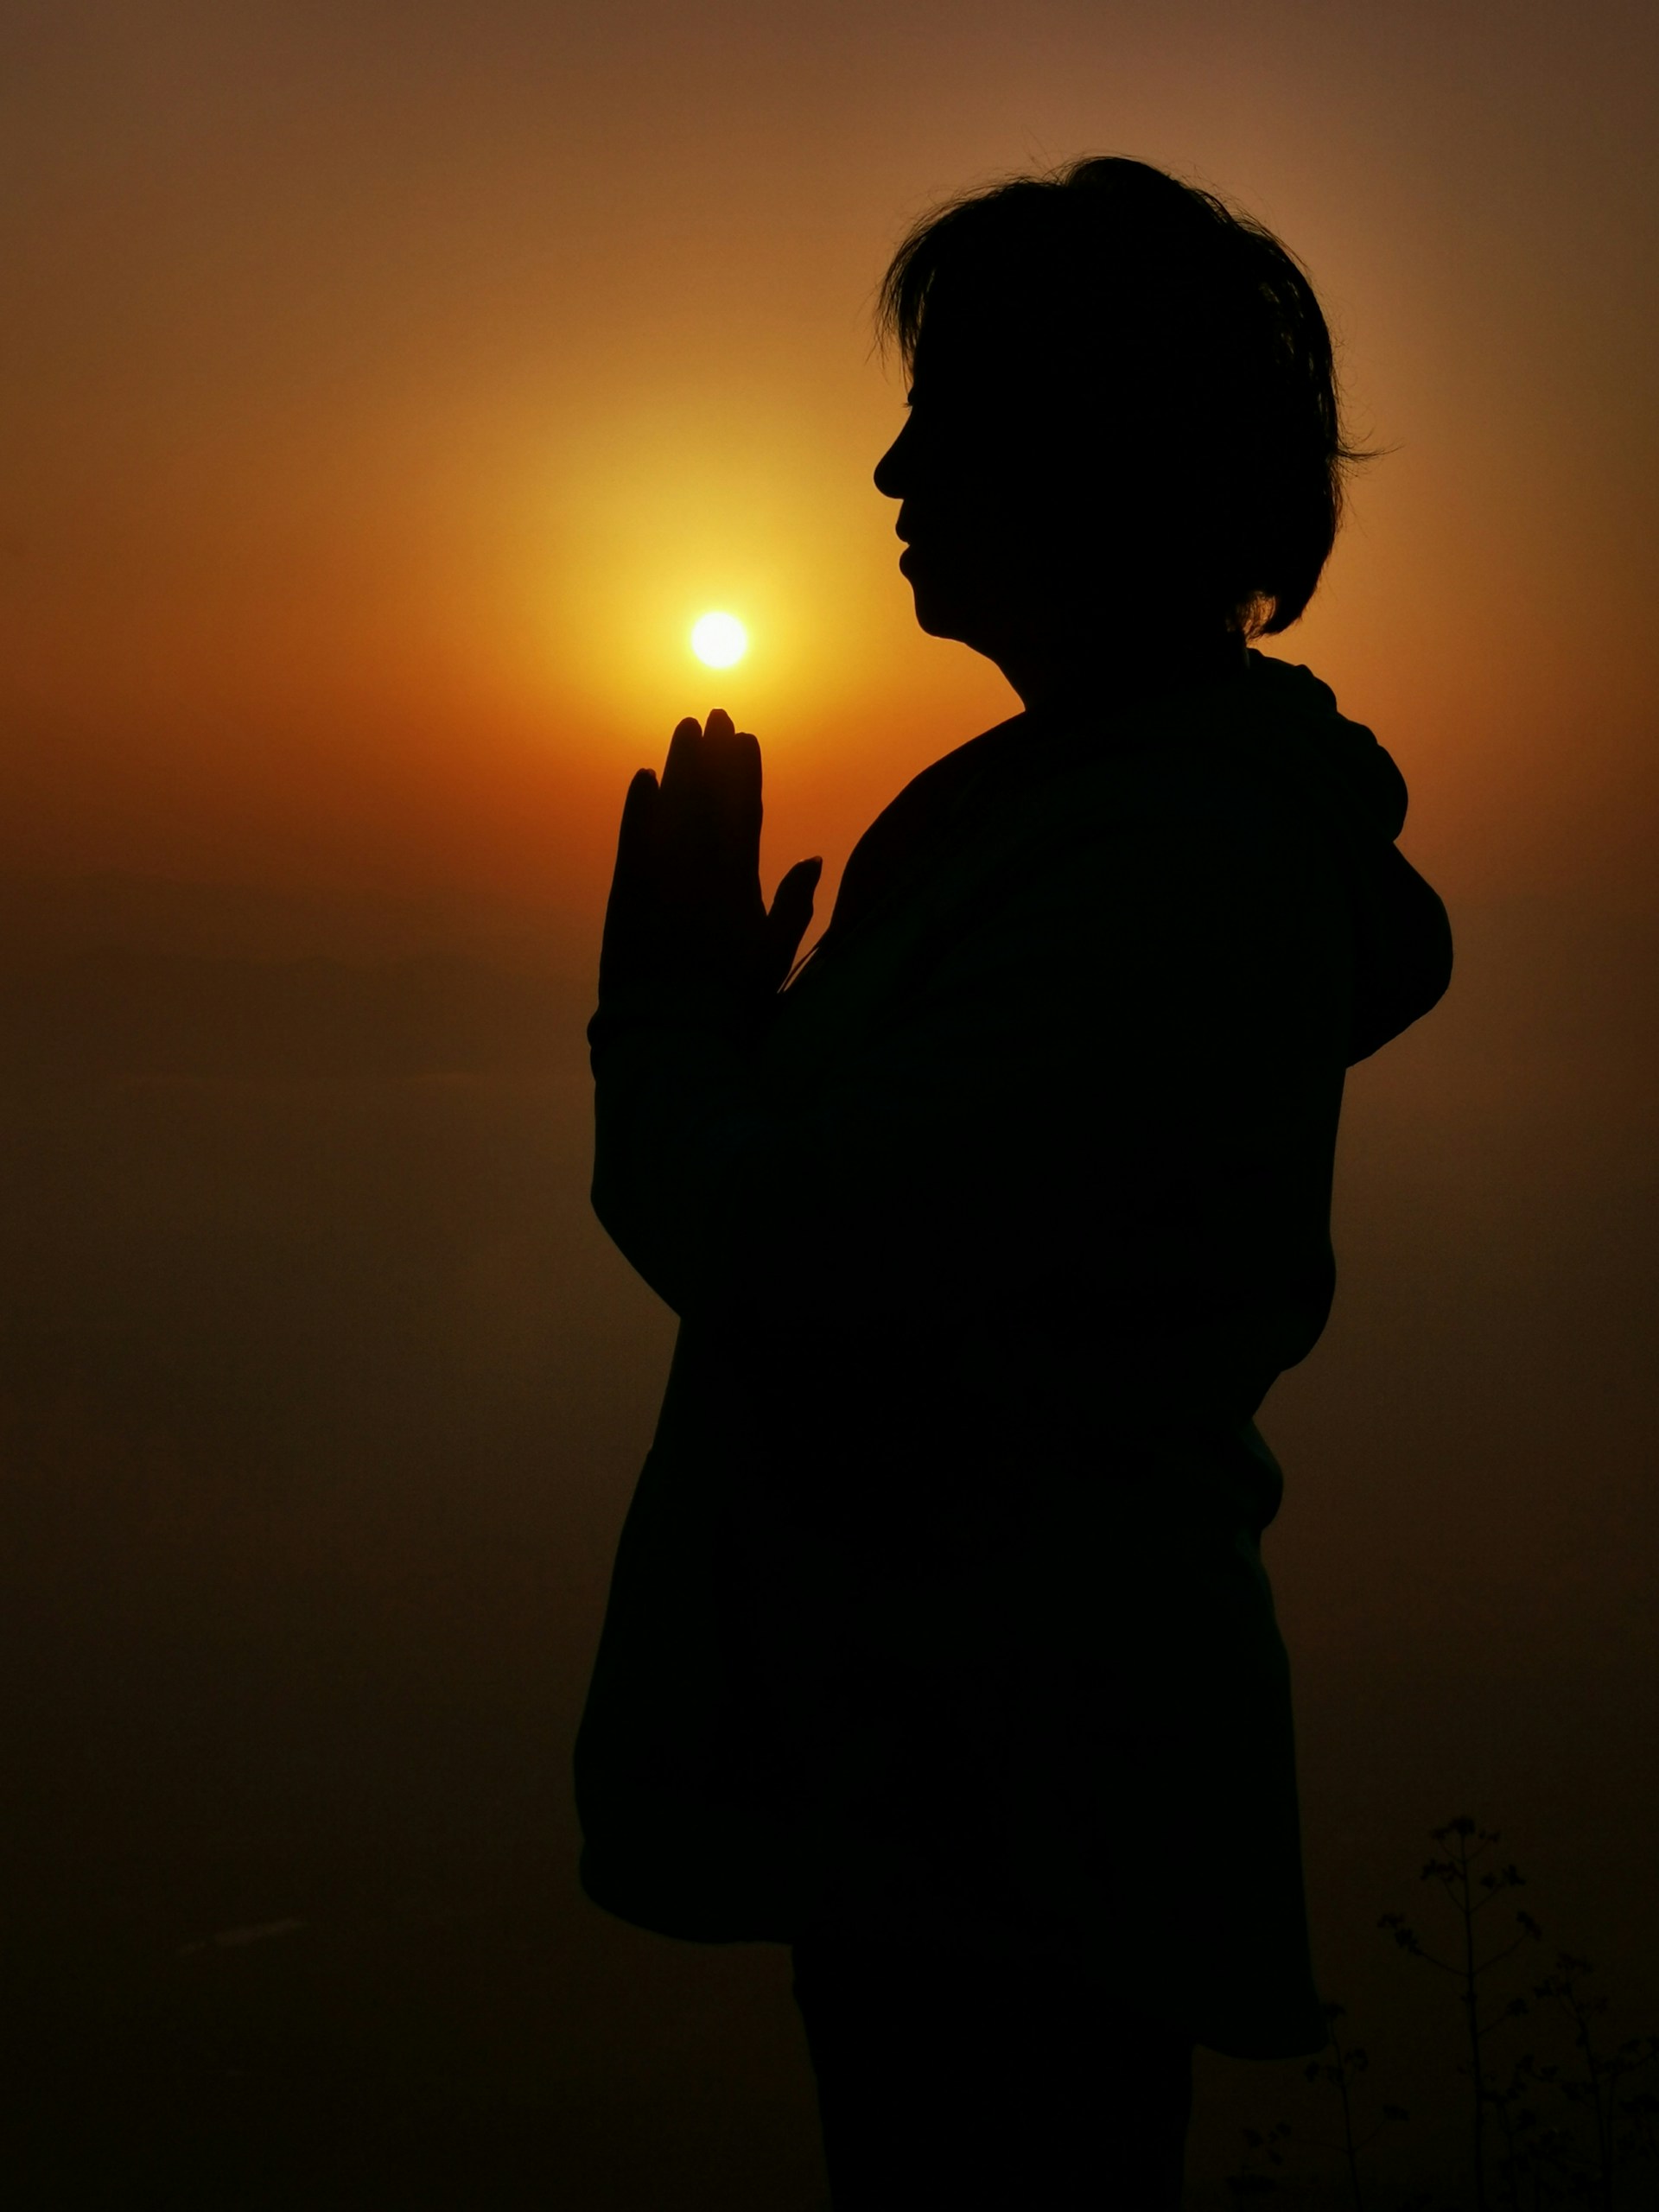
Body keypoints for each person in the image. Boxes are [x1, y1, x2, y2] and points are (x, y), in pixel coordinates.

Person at [573, 155, 1452, 2206]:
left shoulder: (1162, 868)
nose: (889, 466)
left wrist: (670, 1027)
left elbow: (797, 1254)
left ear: (1091, 453)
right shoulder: (1087, 825)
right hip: (972, 1775)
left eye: (946, 417)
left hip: (1006, 1789)